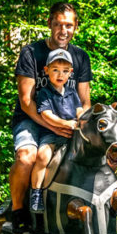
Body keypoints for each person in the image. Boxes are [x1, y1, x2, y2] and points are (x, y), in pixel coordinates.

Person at [9, 2, 92, 234]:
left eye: (69, 25)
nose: (63, 30)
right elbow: (26, 102)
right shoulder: (31, 53)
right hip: (32, 118)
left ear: (75, 26)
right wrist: (54, 125)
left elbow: (85, 101)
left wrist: (80, 124)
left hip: (67, 122)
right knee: (27, 157)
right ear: (49, 24)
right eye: (58, 24)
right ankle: (19, 213)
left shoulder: (80, 57)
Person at [30, 48, 83, 213]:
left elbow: (79, 110)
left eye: (65, 71)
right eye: (55, 70)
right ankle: (36, 193)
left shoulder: (72, 92)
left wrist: (82, 120)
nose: (60, 75)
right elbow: (46, 115)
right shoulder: (45, 93)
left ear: (70, 73)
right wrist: (65, 123)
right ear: (46, 71)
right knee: (42, 157)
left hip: (71, 134)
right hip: (51, 134)